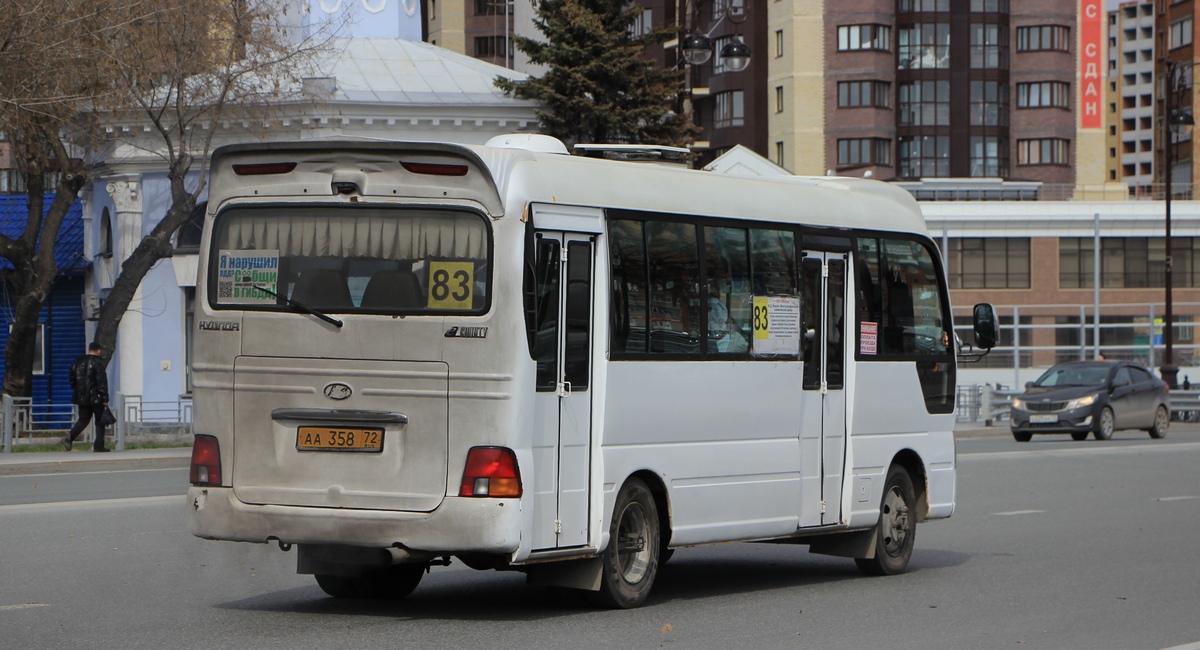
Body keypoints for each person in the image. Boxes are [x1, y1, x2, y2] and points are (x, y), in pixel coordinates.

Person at [63, 342, 110, 452]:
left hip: (81, 398)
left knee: (83, 420)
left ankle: (70, 436)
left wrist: (79, 390)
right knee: (100, 421)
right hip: (96, 398)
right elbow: (101, 382)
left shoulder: (77, 363)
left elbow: (72, 381)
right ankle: (98, 445)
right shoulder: (98, 363)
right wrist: (105, 398)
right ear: (98, 351)